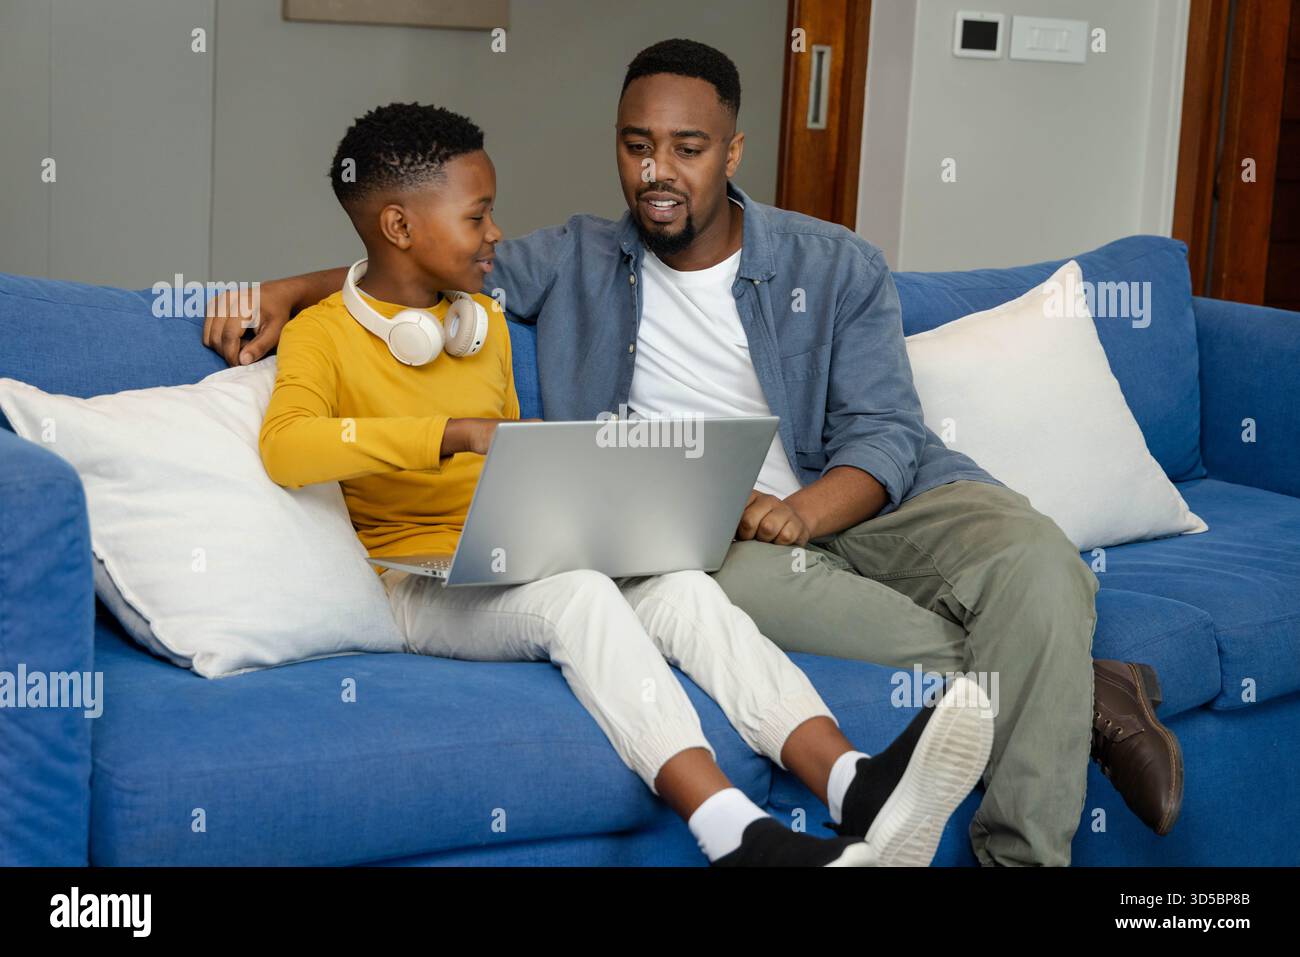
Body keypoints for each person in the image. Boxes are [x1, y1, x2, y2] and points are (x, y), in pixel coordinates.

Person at [210, 40, 1182, 866]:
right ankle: (1083, 691)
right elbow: (426, 257)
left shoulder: (833, 262)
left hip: (873, 493)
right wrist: (292, 289)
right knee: (756, 611)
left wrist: (803, 511)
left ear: (732, 150)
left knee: (1042, 566)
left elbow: (886, 431)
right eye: (636, 147)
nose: (656, 172)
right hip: (714, 533)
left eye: (685, 147)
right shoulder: (581, 255)